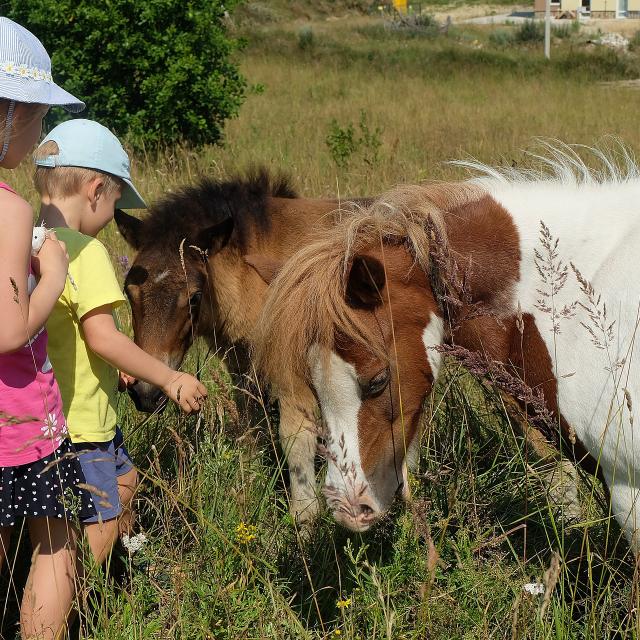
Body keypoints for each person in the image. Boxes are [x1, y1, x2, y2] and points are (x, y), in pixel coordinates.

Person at [33, 118, 208, 567]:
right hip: (86, 426)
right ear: (94, 191)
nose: (114, 217)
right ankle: (78, 591)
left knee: (125, 481)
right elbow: (102, 335)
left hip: (49, 420)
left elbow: (67, 334)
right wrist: (169, 378)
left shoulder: (28, 245)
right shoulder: (87, 253)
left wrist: (118, 364)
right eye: (114, 202)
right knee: (101, 520)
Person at [0, 17, 97, 640]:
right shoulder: (9, 210)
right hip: (17, 423)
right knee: (54, 540)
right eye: (36, 116)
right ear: (6, 115)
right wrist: (53, 275)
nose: (40, 133)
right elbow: (8, 331)